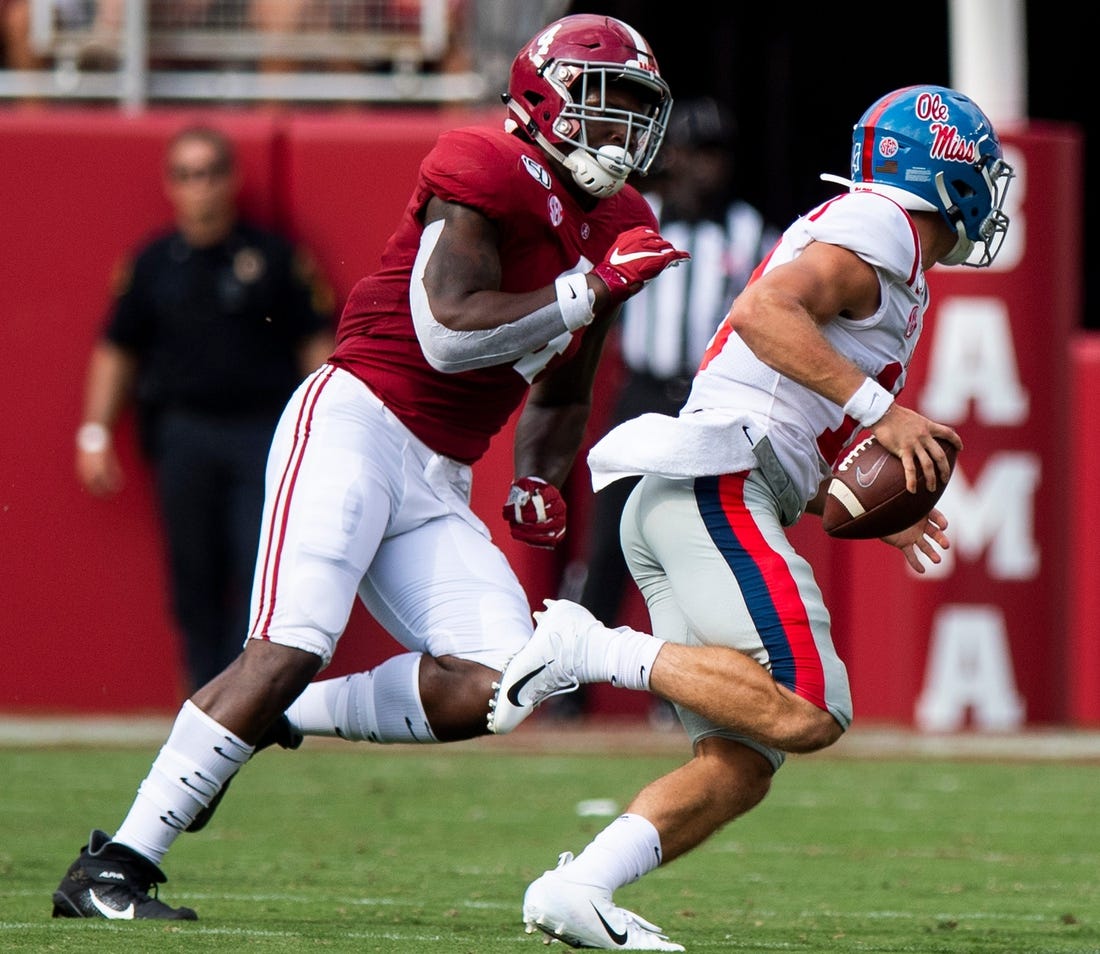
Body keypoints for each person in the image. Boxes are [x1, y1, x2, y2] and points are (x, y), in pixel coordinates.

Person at [52, 13, 687, 923]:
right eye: (605, 103)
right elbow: (448, 329)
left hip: (439, 471)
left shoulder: (620, 220)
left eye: (636, 108)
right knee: (288, 643)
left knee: (504, 681)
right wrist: (587, 287)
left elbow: (563, 387)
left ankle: (284, 717)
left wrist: (541, 476)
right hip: (357, 421)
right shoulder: (485, 164)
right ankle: (112, 868)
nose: (622, 128)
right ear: (547, 97)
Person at [488, 84, 1014, 950]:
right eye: (980, 173)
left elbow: (784, 403)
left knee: (743, 760)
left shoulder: (889, 262)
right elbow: (763, 311)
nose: (987, 194)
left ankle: (579, 887)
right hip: (713, 486)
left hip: (702, 491)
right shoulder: (880, 224)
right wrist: (881, 410)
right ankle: (586, 647)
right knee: (811, 705)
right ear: (942, 169)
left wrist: (861, 502)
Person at [74, 124, 336, 692]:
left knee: (256, 569)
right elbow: (116, 350)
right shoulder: (151, 264)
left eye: (212, 173)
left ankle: (247, 701)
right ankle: (200, 696)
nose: (202, 188)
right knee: (192, 575)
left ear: (232, 179)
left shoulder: (273, 257)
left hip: (261, 437)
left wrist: (326, 434)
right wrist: (94, 433)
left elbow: (316, 346)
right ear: (172, 185)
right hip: (184, 435)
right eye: (189, 176)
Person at [559, 96, 779, 725]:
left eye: (715, 154)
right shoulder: (639, 219)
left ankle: (677, 695)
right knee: (606, 546)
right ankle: (569, 686)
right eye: (693, 151)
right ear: (670, 155)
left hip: (709, 402)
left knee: (692, 546)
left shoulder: (751, 232)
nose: (703, 168)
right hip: (643, 394)